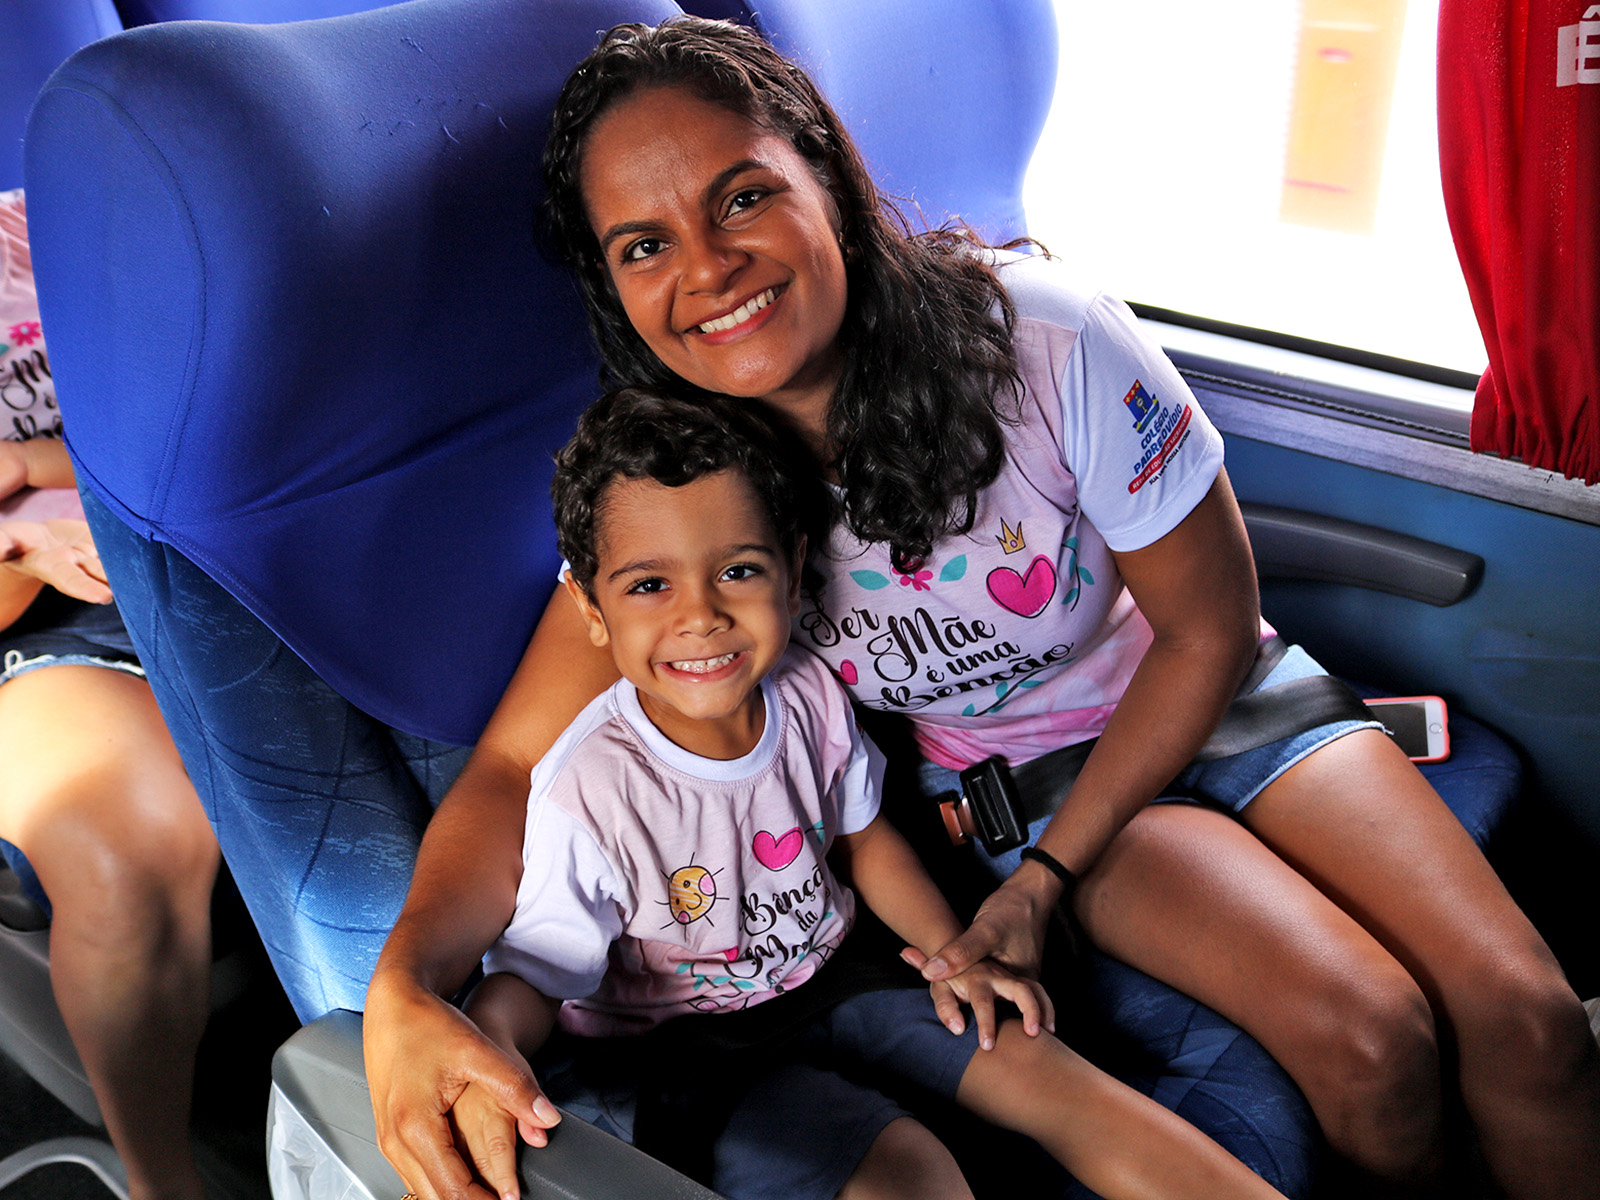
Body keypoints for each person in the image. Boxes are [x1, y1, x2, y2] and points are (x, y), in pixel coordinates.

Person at [364, 18, 1600, 1200]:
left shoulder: (1045, 339)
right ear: (613, 290)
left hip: (1229, 698)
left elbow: (1211, 628)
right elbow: (516, 767)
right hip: (1042, 786)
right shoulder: (685, 490)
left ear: (824, 176)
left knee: (1530, 1021)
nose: (706, 267)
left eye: (741, 197)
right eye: (644, 246)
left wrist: (1045, 882)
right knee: (1375, 1043)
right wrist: (404, 990)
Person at [437, 384, 1288, 1200]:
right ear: (591, 608)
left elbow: (866, 840)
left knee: (1046, 1072)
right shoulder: (587, 792)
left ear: (793, 571)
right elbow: (536, 976)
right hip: (685, 1045)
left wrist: (952, 955)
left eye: (738, 571)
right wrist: (493, 1046)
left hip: (838, 973)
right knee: (910, 1172)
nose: (700, 617)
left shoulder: (808, 693)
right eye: (649, 586)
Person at [0, 189, 219, 1200]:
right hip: (44, 626)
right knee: (133, 849)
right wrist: (26, 553)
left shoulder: (58, 213)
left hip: (190, 539)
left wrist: (41, 472)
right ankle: (160, 1182)